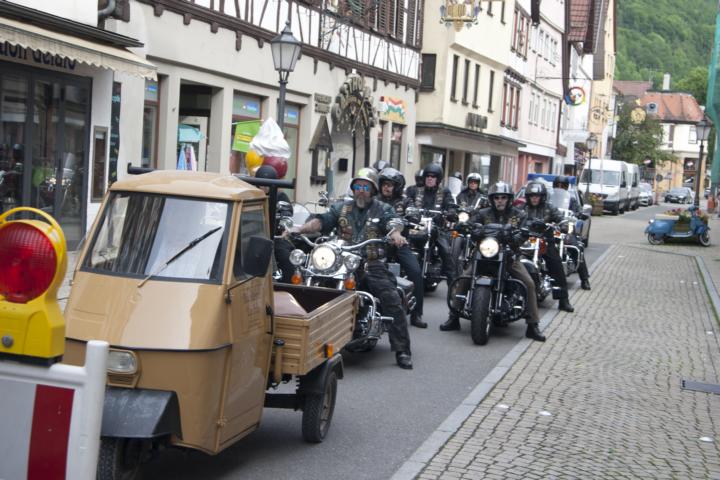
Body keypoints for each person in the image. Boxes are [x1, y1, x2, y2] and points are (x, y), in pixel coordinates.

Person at [290, 168, 414, 369]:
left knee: (390, 297)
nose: (361, 190)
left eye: (365, 187)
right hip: (341, 261)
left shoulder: (383, 209)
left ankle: (402, 350)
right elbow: (322, 221)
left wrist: (396, 234)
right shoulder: (342, 208)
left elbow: (393, 223)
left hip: (371, 263)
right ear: (353, 188)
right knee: (309, 286)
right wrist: (300, 228)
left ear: (373, 190)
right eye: (358, 186)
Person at [470, 182, 546, 341]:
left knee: (529, 284)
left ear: (509, 199)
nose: (500, 200)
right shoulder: (482, 213)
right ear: (492, 199)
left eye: (503, 197)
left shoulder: (519, 214)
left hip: (509, 256)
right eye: (496, 197)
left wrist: (514, 238)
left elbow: (524, 232)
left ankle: (533, 325)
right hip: (484, 255)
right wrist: (471, 229)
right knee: (464, 277)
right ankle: (453, 316)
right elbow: (471, 225)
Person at [406, 164, 458, 331]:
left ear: (438, 179)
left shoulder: (445, 193)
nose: (429, 178)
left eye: (433, 176)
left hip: (437, 230)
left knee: (447, 255)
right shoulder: (414, 190)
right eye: (427, 176)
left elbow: (451, 206)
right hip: (415, 229)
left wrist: (451, 212)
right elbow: (405, 202)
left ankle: (455, 309)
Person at [378, 167, 427, 329]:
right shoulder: (375, 200)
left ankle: (416, 314)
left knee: (415, 271)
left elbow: (415, 214)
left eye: (390, 185)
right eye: (384, 184)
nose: (386, 187)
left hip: (399, 244)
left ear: (397, 187)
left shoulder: (405, 201)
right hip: (377, 243)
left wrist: (412, 216)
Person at [523, 182, 575, 312]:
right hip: (525, 241)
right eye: (532, 196)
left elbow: (560, 218)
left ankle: (563, 300)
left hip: (544, 241)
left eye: (537, 196)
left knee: (556, 264)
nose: (534, 198)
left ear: (542, 197)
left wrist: (562, 225)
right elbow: (513, 219)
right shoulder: (522, 208)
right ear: (528, 197)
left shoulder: (549, 208)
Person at [552, 176, 590, 290]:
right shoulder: (549, 198)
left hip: (567, 226)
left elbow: (578, 211)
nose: (560, 187)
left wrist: (579, 214)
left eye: (562, 186)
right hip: (553, 226)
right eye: (557, 185)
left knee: (575, 246)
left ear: (566, 187)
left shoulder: (571, 199)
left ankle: (584, 279)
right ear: (554, 186)